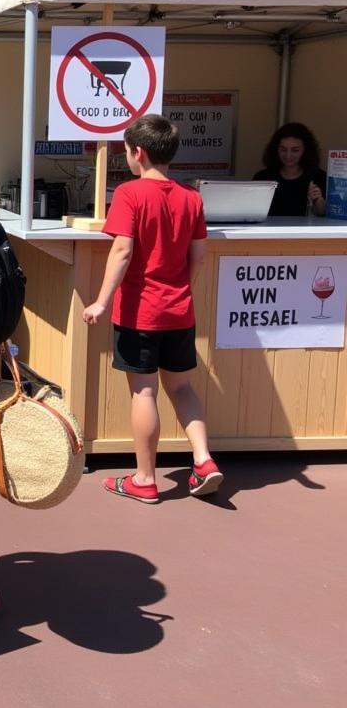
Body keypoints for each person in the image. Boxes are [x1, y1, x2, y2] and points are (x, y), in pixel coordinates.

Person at [82, 114, 223, 504]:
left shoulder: (129, 194)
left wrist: (101, 300)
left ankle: (145, 478)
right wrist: (181, 290)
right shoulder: (192, 198)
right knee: (181, 386)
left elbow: (123, 250)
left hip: (140, 313)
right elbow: (199, 256)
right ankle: (204, 459)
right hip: (180, 310)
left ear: (137, 152)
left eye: (126, 151)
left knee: (144, 392)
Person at [252, 122, 327, 217]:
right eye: (283, 149)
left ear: (306, 150)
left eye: (295, 150)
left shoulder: (318, 177)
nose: (288, 155)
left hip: (304, 231)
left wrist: (318, 200)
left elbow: (323, 214)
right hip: (269, 230)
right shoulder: (263, 177)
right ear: (276, 149)